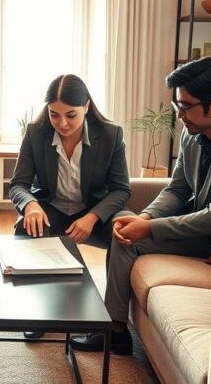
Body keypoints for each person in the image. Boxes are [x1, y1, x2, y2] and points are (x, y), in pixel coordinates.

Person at [70, 57, 211, 354]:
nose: (179, 115)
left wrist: (148, 229)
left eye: (186, 106)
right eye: (176, 106)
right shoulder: (192, 133)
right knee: (125, 219)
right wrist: (144, 217)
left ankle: (114, 330)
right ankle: (114, 326)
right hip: (196, 220)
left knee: (130, 239)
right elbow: (178, 189)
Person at [8, 74, 132, 339]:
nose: (62, 123)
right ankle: (38, 313)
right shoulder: (35, 132)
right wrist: (30, 205)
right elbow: (18, 184)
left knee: (126, 230)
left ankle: (114, 323)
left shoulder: (111, 134)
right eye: (54, 115)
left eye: (71, 115)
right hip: (52, 210)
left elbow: (122, 189)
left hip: (93, 212)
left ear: (86, 106)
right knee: (24, 228)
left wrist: (93, 217)